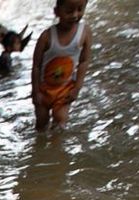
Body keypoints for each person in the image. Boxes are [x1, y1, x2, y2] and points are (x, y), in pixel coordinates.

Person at [31, 0, 93, 131]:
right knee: (41, 121)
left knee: (60, 120)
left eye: (80, 9)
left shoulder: (85, 33)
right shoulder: (46, 36)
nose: (75, 15)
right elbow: (36, 66)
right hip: (43, 89)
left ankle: (56, 144)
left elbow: (84, 61)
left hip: (65, 89)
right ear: (57, 12)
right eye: (69, 11)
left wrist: (77, 88)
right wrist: (35, 91)